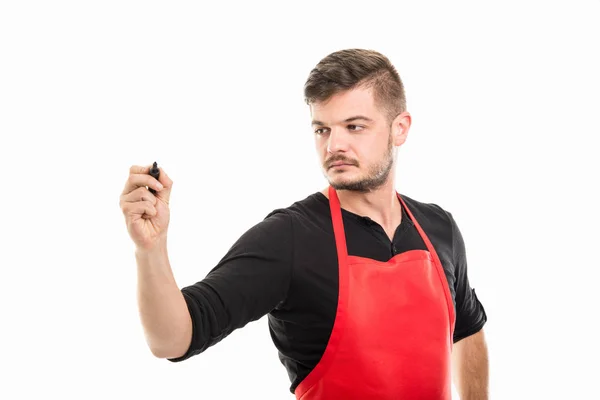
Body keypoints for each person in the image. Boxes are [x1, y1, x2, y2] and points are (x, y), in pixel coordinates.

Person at [119, 48, 489, 399]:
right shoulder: (290, 237)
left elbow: (467, 330)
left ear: (400, 129)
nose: (333, 146)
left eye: (354, 126)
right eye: (322, 129)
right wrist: (149, 250)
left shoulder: (439, 228)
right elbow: (172, 339)